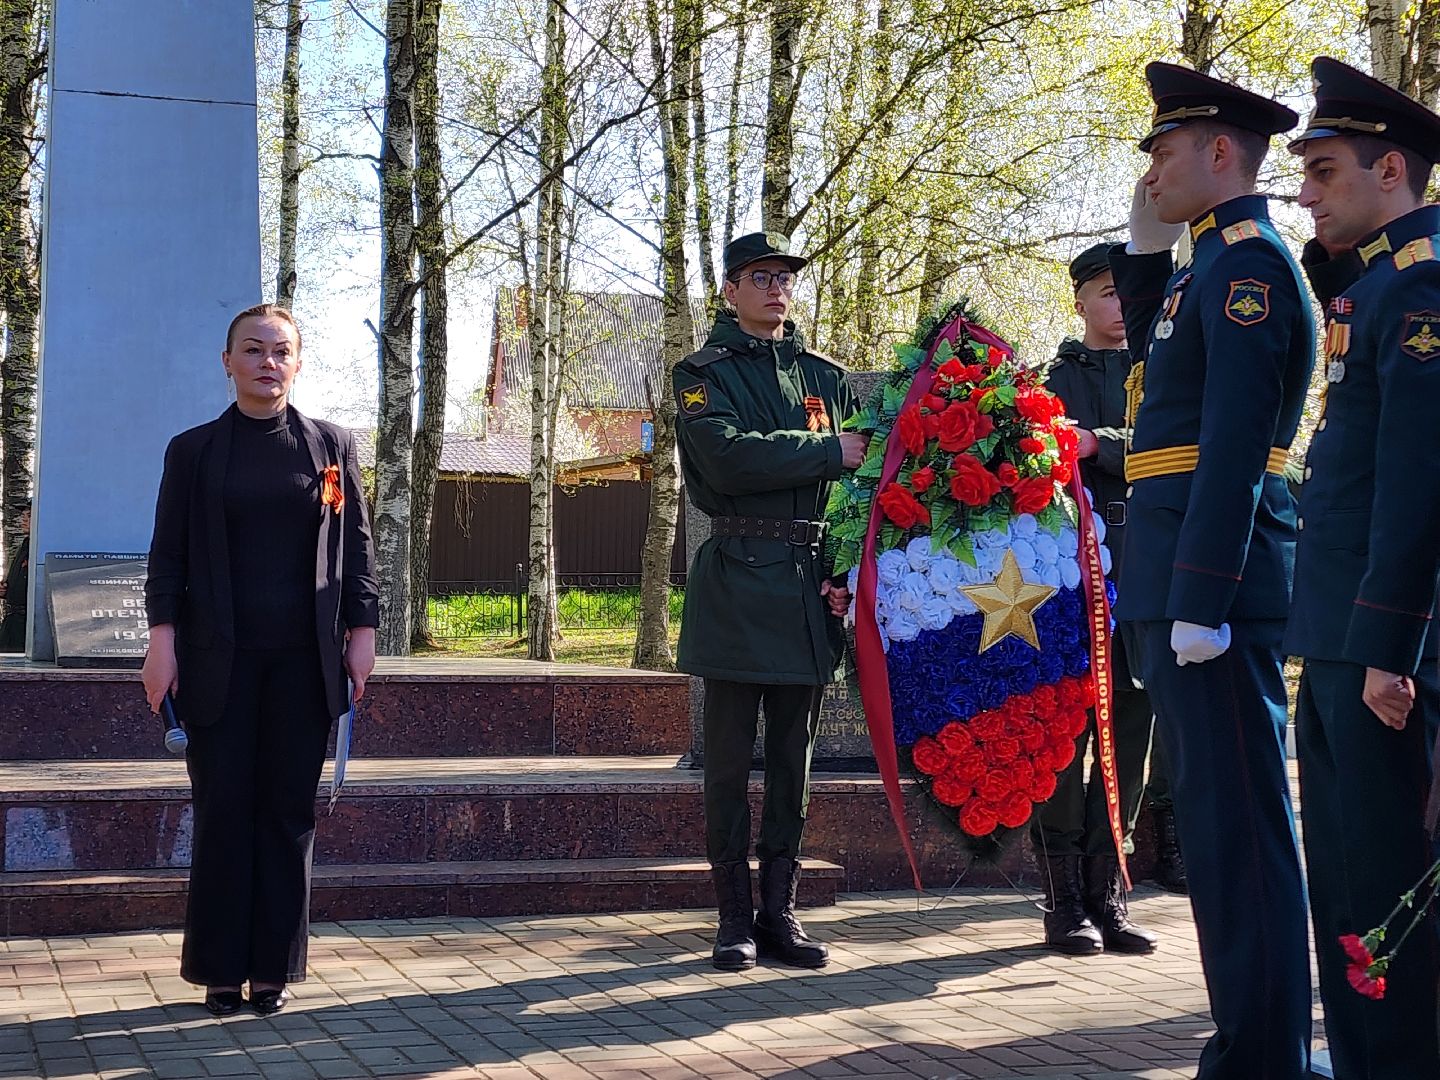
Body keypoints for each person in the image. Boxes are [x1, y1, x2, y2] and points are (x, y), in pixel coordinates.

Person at [1106, 63, 1314, 1079]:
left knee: (1241, 840)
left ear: (1220, 152)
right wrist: (1144, 262)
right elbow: (1156, 376)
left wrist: (1196, 598)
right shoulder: (1201, 269)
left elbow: (1233, 445)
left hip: (1215, 590)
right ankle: (1247, 1043)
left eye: (1164, 150)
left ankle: (1266, 1055)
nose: (1151, 172)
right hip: (1178, 577)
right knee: (1221, 836)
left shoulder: (1251, 269)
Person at [141, 304, 378, 1017]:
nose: (267, 362)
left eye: (281, 351)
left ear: (298, 363)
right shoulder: (194, 452)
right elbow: (168, 555)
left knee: (286, 814)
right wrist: (161, 640)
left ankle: (273, 970)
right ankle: (219, 970)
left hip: (304, 665)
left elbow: (357, 548)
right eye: (253, 350)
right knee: (222, 811)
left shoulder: (330, 447)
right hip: (218, 663)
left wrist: (362, 632)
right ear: (228, 362)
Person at [1287, 56, 1440, 1079]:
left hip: (1376, 650)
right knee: (1342, 881)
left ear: (1393, 172)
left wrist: (1390, 644)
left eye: (1325, 170)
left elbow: (1419, 481)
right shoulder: (1376, 285)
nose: (1306, 190)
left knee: (1385, 885)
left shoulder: (1423, 289)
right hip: (1339, 636)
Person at [674, 231, 864, 972]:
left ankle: (778, 912)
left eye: (784, 277)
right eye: (760, 276)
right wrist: (823, 450)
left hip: (808, 584)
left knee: (794, 760)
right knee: (726, 763)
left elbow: (854, 495)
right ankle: (731, 919)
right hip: (736, 576)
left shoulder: (826, 376)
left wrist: (844, 572)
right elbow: (727, 455)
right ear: (729, 290)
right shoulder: (700, 373)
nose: (776, 288)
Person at [1030, 245, 1159, 955]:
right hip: (1068, 586)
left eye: (1125, 292)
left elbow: (1184, 444)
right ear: (1079, 300)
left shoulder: (1163, 368)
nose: (1118, 305)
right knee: (1064, 742)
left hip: (1142, 580)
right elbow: (1038, 450)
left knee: (1130, 742)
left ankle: (1110, 894)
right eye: (1105, 293)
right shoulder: (1050, 381)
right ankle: (1064, 902)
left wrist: (1097, 443)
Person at [0, 501, 31, 652]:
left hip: (27, 623)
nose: (23, 520)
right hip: (11, 620)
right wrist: (5, 590)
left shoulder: (40, 549)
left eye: (30, 516)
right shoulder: (23, 547)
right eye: (23, 516)